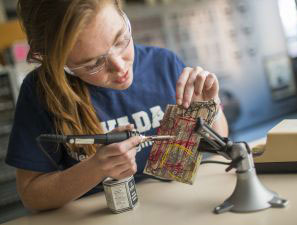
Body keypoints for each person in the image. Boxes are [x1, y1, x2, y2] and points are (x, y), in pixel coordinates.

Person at [5, 0, 228, 211]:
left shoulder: (164, 64)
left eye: (121, 40)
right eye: (93, 64)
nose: (120, 67)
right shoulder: (41, 92)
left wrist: (209, 104)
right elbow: (32, 195)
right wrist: (95, 168)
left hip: (171, 208)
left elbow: (214, 146)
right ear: (59, 63)